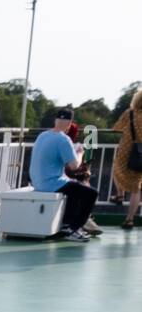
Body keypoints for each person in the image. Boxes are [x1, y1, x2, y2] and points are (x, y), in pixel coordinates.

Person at [30, 108, 97, 243]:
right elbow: (74, 166)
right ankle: (74, 229)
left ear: (56, 120)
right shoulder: (63, 139)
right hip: (50, 184)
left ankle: (66, 225)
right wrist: (79, 152)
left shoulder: (42, 135)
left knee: (73, 190)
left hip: (37, 181)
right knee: (91, 193)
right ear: (70, 123)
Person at [112, 88, 142, 231]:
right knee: (136, 188)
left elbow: (116, 128)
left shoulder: (129, 113)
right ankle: (129, 220)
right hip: (141, 155)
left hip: (126, 151)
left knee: (117, 170)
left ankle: (119, 194)